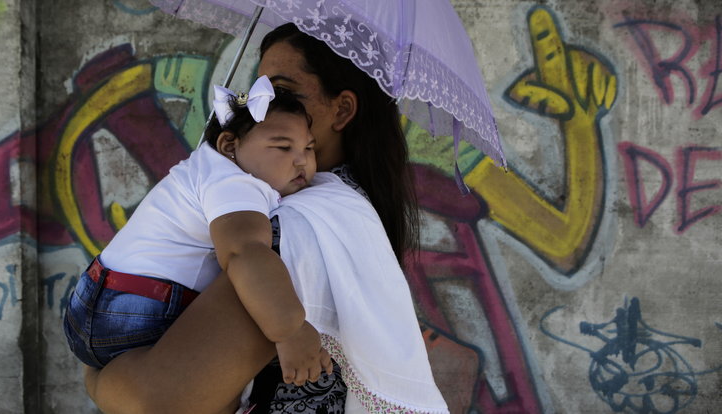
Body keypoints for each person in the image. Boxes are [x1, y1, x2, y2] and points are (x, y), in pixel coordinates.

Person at [83, 23, 471, 414]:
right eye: (259, 92)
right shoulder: (333, 210)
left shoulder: (294, 230)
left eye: (281, 92)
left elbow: (158, 404)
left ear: (342, 110)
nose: (263, 106)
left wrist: (97, 377)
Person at [64, 76, 334, 391]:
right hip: (136, 313)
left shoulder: (201, 167)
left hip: (88, 303)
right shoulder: (236, 182)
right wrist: (290, 331)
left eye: (309, 147)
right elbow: (243, 252)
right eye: (283, 146)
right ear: (230, 145)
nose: (302, 160)